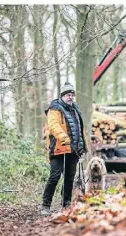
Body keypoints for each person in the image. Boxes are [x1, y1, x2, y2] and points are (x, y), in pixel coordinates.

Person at [41, 82, 88, 215]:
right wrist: (63, 137)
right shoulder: (54, 109)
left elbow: (80, 129)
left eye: (72, 94)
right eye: (68, 94)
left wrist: (83, 146)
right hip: (57, 149)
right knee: (54, 177)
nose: (70, 97)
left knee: (69, 178)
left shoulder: (75, 109)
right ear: (62, 96)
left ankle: (66, 205)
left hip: (73, 150)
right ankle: (45, 205)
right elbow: (53, 126)